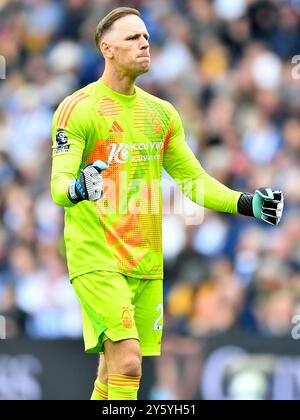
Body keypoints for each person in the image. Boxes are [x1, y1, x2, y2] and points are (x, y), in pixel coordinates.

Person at [50, 7, 284, 400]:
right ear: (106, 49)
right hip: (97, 255)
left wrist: (244, 202)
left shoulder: (162, 114)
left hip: (145, 259)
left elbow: (194, 182)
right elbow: (59, 186)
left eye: (146, 37)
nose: (144, 43)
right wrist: (79, 187)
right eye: (132, 38)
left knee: (114, 372)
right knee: (128, 361)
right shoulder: (79, 108)